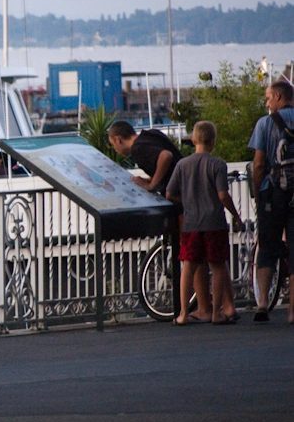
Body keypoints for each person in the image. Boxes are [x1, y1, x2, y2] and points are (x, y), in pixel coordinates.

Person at [108, 120, 214, 321]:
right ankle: (211, 306)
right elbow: (170, 160)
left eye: (113, 145)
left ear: (118, 139)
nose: (116, 149)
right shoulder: (151, 134)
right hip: (191, 192)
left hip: (181, 201)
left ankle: (203, 308)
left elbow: (165, 157)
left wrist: (152, 185)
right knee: (202, 256)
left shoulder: (138, 149)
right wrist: (155, 180)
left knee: (193, 255)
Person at [166, 121, 242, 325]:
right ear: (213, 141)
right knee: (217, 266)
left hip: (191, 223)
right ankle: (217, 313)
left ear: (193, 140)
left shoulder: (182, 165)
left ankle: (183, 314)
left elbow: (169, 193)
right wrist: (236, 215)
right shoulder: (218, 165)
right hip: (214, 222)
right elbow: (223, 195)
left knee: (188, 266)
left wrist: (186, 201)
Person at [248, 79, 294, 323]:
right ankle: (292, 311)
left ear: (278, 96)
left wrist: (258, 193)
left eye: (268, 98)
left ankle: (263, 302)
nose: (267, 103)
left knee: (267, 247)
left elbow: (258, 164)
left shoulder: (265, 123)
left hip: (271, 193)